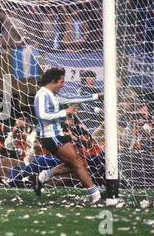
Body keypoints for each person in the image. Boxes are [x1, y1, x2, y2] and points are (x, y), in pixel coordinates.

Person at [32, 67, 104, 203]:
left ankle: (43, 176)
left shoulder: (53, 95)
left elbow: (73, 97)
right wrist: (65, 112)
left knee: (78, 163)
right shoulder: (42, 94)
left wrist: (97, 96)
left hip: (58, 134)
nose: (63, 85)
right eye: (61, 82)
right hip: (50, 136)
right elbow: (42, 115)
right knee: (78, 164)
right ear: (54, 81)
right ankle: (96, 196)